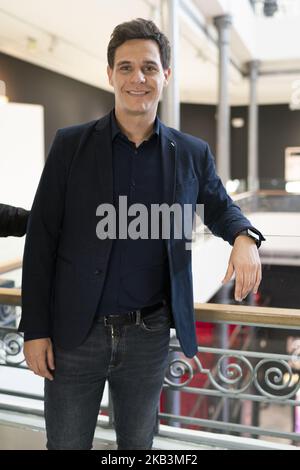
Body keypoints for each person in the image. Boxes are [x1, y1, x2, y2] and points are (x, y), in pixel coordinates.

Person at [18, 18, 265, 450]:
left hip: (148, 339)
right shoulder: (69, 146)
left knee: (139, 449)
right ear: (110, 74)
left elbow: (221, 206)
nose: (138, 78)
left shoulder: (191, 152)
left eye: (149, 68)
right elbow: (41, 240)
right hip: (75, 338)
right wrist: (35, 329)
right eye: (127, 67)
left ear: (165, 76)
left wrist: (245, 237)